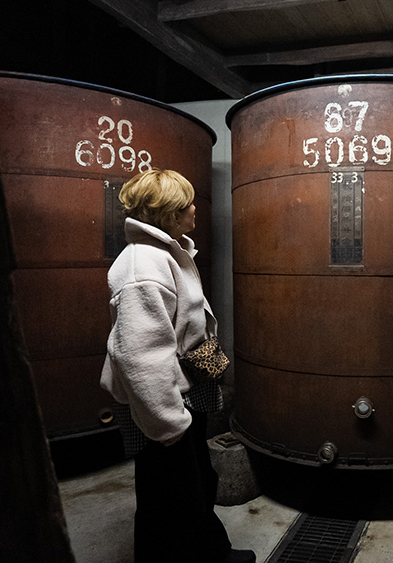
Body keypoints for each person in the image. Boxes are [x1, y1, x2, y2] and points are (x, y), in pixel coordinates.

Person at [101, 169, 255, 563]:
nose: (193, 208)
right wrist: (167, 424)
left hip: (182, 388)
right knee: (169, 493)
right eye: (186, 203)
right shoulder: (143, 267)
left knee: (193, 482)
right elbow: (139, 355)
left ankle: (211, 552)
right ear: (169, 214)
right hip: (164, 399)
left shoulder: (166, 252)